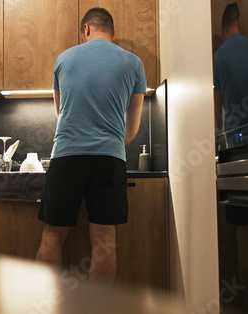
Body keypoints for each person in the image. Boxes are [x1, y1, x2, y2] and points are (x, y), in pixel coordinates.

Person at [35, 7, 146, 282]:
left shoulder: (64, 59)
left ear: (86, 29)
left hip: (67, 156)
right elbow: (131, 128)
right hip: (109, 159)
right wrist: (111, 143)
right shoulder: (134, 63)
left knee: (52, 236)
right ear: (113, 32)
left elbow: (61, 114)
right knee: (104, 239)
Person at [213, 3, 248, 134]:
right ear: (238, 22)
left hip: (237, 137)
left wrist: (217, 138)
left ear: (222, 29)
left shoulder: (219, 57)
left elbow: (217, 108)